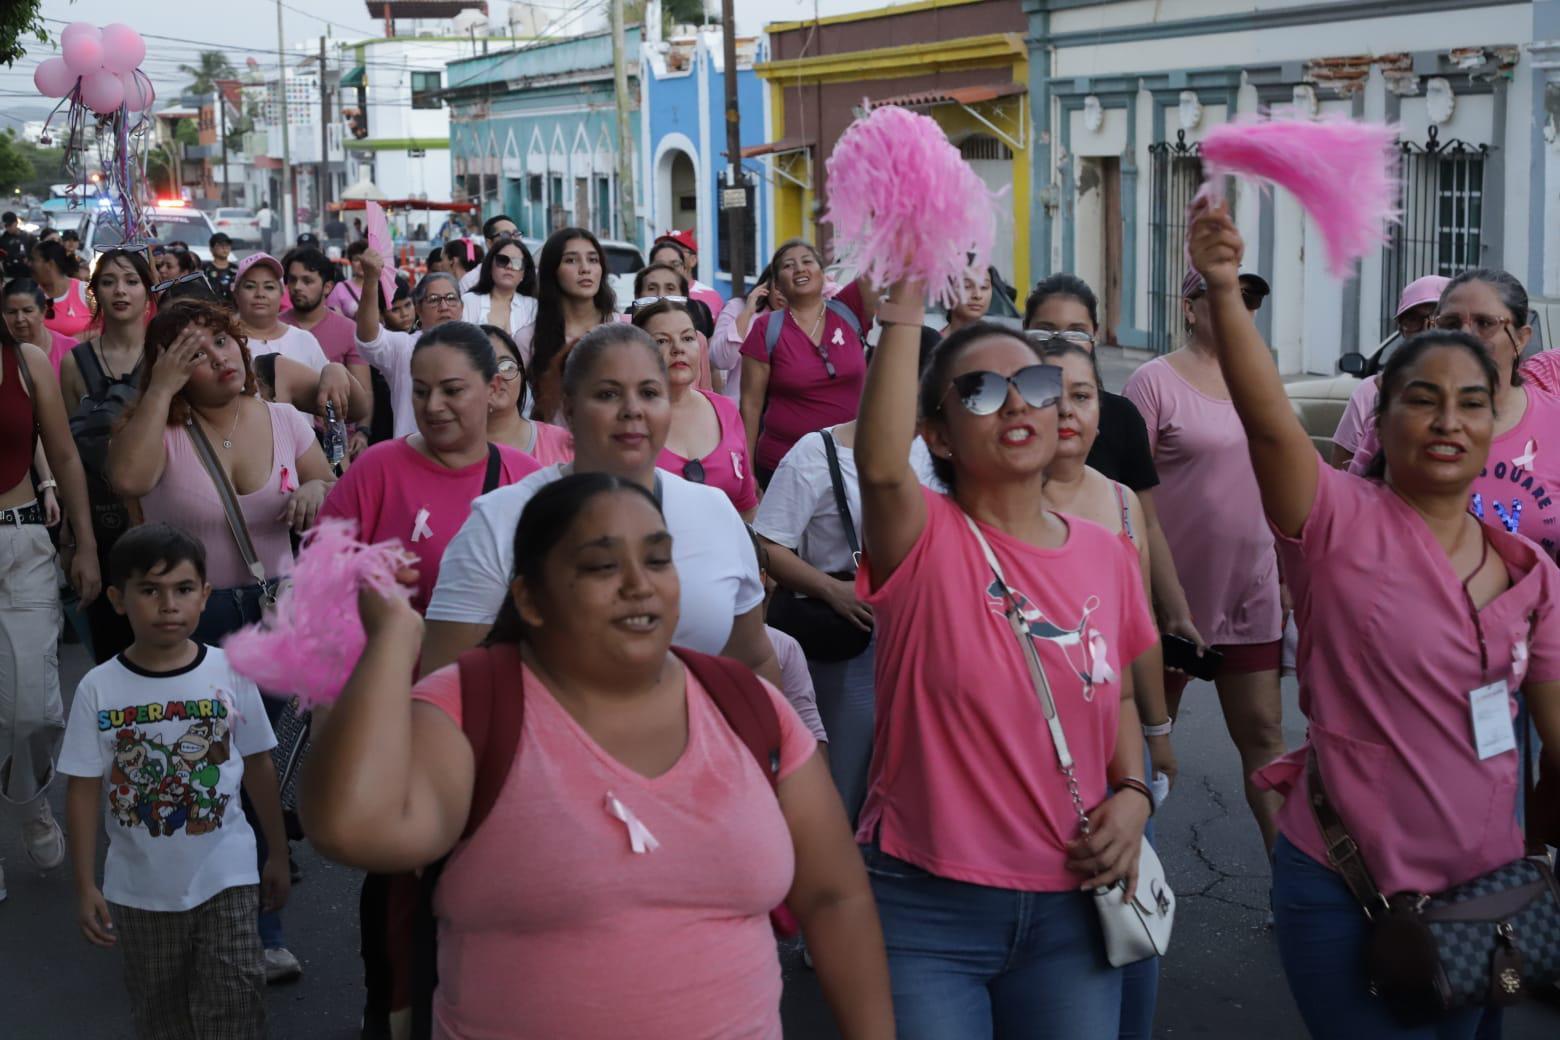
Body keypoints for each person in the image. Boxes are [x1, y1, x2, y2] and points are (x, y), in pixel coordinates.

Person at [303, 472, 894, 1039]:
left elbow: (835, 897)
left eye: (659, 559)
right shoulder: (474, 704)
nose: (640, 583)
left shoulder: (749, 706)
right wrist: (391, 642)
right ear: (530, 599)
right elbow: (352, 830)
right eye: (603, 565)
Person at [1185, 196, 1560, 1038]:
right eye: (1422, 399)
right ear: (1380, 419)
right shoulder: (1334, 524)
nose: (1449, 421)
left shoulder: (1531, 574)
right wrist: (1221, 287)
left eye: (1471, 401)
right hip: (1347, 889)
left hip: (1489, 894)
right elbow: (1269, 424)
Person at [855, 281, 1159, 1035]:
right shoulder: (921, 537)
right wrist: (901, 306)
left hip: (1074, 906)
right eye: (983, 392)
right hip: (927, 910)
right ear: (938, 434)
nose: (1019, 404)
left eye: (1036, 384)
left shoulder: (1104, 553)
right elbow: (881, 466)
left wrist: (1134, 792)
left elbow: (1114, 691)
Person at [106, 299, 336, 984]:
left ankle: (257, 928)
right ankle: (182, 915)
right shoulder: (157, 430)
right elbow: (126, 480)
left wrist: (319, 492)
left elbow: (327, 477)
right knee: (199, 777)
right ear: (172, 369)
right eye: (198, 352)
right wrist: (160, 390)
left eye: (226, 343)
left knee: (251, 773)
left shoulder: (284, 419)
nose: (223, 358)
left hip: (272, 619)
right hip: (185, 627)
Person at [422, 323, 780, 687]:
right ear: (570, 408)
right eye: (608, 394)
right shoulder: (500, 519)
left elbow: (753, 659)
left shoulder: (714, 511)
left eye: (649, 393)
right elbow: (443, 685)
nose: (631, 410)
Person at [60, 523, 289, 1040]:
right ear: (118, 600)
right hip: (139, 891)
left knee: (236, 1002)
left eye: (183, 589)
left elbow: (258, 765)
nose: (168, 605)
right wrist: (84, 885)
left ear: (204, 596)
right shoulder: (98, 688)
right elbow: (82, 789)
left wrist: (275, 852)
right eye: (150, 590)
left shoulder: (231, 671)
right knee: (162, 1015)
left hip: (227, 877)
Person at [1037, 341, 1176, 1040]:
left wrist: (1156, 734)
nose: (1067, 409)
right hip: (1034, 742)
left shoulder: (1121, 502)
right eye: (1051, 392)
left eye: (1084, 396)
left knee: (1124, 898)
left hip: (1112, 739)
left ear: (1102, 414)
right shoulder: (995, 500)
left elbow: (1137, 632)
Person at [1122, 268, 1286, 858]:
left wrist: (1290, 575)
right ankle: (1132, 879)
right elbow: (1120, 493)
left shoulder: (1261, 378)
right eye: (1217, 295)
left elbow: (1284, 478)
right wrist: (1147, 593)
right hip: (1172, 602)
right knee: (1144, 743)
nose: (1234, 306)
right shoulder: (1153, 382)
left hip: (1253, 589)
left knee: (1265, 739)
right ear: (1188, 307)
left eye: (1245, 300)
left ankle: (1290, 892)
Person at [1023, 276, 1205, 668]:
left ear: (1094, 338)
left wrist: (1176, 612)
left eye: (1076, 332)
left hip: (1105, 629)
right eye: (1045, 330)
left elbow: (1147, 524)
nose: (1060, 342)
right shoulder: (1008, 418)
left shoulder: (1121, 418)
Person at [319, 322, 541, 613]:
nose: (433, 406)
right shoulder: (376, 469)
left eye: (452, 390)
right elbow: (316, 581)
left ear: (493, 388)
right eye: (421, 392)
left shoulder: (527, 478)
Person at [1349, 271, 1560, 560]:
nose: (1464, 336)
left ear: (1521, 340)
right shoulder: (1399, 420)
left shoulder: (1553, 422)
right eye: (1450, 323)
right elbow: (1352, 521)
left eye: (1485, 323)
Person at [0, 308, 100, 904]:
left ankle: (30, 796)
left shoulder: (26, 361)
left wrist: (84, 541)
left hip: (22, 543)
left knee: (31, 710)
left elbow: (64, 457)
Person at [753, 418, 877, 821]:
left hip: (915, 635)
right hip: (848, 637)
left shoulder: (935, 452)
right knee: (843, 772)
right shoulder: (816, 452)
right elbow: (768, 543)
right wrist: (830, 589)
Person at [59, 250, 158, 664]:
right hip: (100, 524)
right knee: (112, 652)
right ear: (95, 291)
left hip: (160, 519)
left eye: (131, 281)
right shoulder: (74, 362)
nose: (121, 290)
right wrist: (79, 542)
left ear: (147, 293)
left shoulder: (165, 356)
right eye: (109, 281)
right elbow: (67, 456)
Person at [740, 240, 876, 486]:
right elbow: (750, 405)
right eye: (788, 266)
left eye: (807, 261)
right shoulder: (766, 328)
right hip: (785, 466)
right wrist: (749, 476)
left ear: (822, 274)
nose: (799, 269)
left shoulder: (850, 309)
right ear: (778, 284)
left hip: (852, 460)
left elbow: (881, 265)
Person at [632, 298, 756, 516]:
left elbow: (746, 506)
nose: (678, 348)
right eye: (661, 341)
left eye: (688, 338)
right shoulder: (626, 418)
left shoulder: (725, 409)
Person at [354, 249, 465, 438]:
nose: (444, 306)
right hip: (412, 455)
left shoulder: (479, 346)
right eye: (434, 300)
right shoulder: (404, 347)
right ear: (418, 309)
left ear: (462, 307)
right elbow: (369, 339)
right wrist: (371, 280)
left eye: (451, 299)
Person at [527, 227, 619, 424]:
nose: (585, 268)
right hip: (555, 450)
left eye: (593, 260)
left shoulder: (624, 329)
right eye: (571, 260)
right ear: (553, 270)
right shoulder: (528, 339)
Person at [281, 246, 374, 425]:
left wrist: (363, 432)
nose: (297, 287)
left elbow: (364, 391)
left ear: (327, 287)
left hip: (337, 438)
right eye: (292, 280)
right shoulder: (274, 327)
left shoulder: (348, 330)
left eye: (307, 281)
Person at [481, 324, 574, 466]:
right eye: (483, 368)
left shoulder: (563, 442)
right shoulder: (447, 450)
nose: (497, 376)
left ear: (521, 374)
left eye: (506, 366)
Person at [232, 253, 331, 373]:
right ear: (236, 293)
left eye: (269, 287)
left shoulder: (304, 340)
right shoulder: (224, 341)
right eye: (250, 286)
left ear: (282, 294)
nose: (260, 294)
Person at [709, 263, 785, 404]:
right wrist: (748, 312)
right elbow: (720, 360)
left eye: (789, 286)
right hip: (740, 409)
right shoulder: (737, 307)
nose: (783, 293)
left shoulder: (804, 319)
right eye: (779, 284)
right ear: (768, 283)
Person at [461, 235, 537, 343]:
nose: (509, 266)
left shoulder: (533, 307)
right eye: (502, 260)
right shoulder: (468, 302)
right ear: (490, 266)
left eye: (517, 263)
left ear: (524, 274)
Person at [2, 277, 76, 376]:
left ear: (43, 311)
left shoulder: (70, 349)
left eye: (27, 311)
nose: (19, 319)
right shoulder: (2, 352)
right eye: (12, 312)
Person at [649, 230, 723, 318]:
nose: (669, 255)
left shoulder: (711, 296)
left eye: (677, 250)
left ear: (693, 260)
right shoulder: (649, 293)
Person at [30, 240, 92, 339]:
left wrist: (73, 342)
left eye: (34, 260)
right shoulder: (30, 294)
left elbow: (104, 327)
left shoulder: (85, 291)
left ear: (50, 264)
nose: (30, 264)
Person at [456, 213, 519, 292]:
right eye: (505, 235)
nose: (514, 239)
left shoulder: (531, 273)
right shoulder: (471, 281)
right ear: (489, 243)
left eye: (516, 234)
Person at [939, 266, 993, 338]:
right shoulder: (932, 345)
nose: (977, 295)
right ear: (947, 292)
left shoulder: (1002, 343)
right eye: (966, 286)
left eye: (984, 287)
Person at [327, 241, 369, 319]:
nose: (361, 264)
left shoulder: (381, 287)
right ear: (351, 262)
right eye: (357, 260)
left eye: (365, 260)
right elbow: (332, 317)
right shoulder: (340, 288)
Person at [1, 210, 38, 279]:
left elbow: (37, 251)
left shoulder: (28, 237)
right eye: (6, 226)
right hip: (10, 275)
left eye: (10, 225)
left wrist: (30, 261)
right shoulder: (3, 239)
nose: (8, 228)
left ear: (16, 223)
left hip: (27, 274)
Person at [203, 232, 239, 300]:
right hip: (211, 307)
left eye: (227, 245)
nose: (225, 248)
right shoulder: (205, 269)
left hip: (232, 309)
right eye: (220, 245)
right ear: (211, 249)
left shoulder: (236, 269)